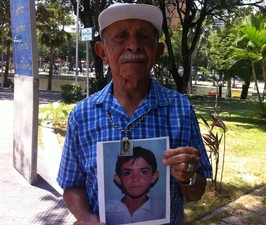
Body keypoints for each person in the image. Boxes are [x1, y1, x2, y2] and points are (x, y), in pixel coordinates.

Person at [57, 3, 212, 225]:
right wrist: (85, 217)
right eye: (121, 37)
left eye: (144, 37)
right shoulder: (82, 115)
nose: (133, 46)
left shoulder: (181, 109)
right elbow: (71, 185)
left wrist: (188, 177)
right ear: (103, 52)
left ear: (157, 52)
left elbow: (197, 192)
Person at [105, 146, 165, 224]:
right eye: (127, 173)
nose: (135, 179)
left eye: (144, 172)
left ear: (153, 177)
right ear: (118, 179)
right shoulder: (106, 210)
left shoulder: (164, 209)